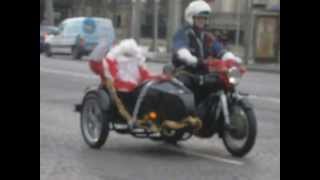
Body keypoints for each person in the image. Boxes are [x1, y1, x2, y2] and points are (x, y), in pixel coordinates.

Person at [171, 0, 242, 102]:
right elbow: (181, 49)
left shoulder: (206, 35)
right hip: (186, 72)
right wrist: (190, 58)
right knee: (186, 93)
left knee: (221, 83)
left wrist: (231, 58)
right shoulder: (183, 33)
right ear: (191, 17)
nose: (202, 21)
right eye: (199, 18)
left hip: (203, 72)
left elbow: (219, 49)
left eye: (204, 18)